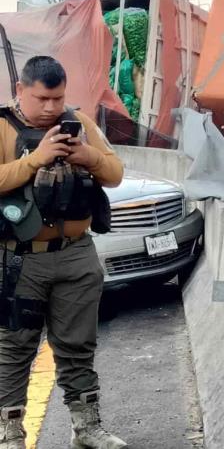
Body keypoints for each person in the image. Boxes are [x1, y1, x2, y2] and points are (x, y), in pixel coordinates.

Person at [0, 57, 126, 448]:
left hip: (76, 252)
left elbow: (116, 173)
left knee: (78, 344)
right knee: (14, 346)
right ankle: (9, 433)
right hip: (21, 257)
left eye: (58, 98)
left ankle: (86, 428)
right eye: (43, 98)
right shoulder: (2, 127)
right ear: (20, 91)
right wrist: (34, 160)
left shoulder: (78, 124)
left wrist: (87, 156)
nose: (53, 108)